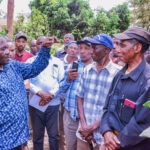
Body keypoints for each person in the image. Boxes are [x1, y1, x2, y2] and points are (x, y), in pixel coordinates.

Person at [100, 27, 150, 150]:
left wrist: (116, 143)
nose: (116, 48)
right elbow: (107, 107)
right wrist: (106, 131)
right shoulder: (120, 74)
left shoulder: (147, 81)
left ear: (137, 48)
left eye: (122, 45)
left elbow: (143, 123)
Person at [0, 36, 54, 150]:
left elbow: (34, 68)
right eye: (2, 49)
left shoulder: (13, 65)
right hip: (4, 140)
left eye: (7, 48)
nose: (7, 53)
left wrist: (44, 49)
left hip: (19, 137)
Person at [76, 34, 120, 150]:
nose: (91, 51)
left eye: (95, 47)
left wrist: (92, 127)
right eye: (91, 47)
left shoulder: (117, 74)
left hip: (104, 136)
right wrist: (84, 125)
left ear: (106, 50)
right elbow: (80, 97)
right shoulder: (87, 70)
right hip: (83, 134)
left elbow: (114, 107)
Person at [28, 36, 65, 150]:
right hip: (35, 104)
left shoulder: (57, 62)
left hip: (53, 104)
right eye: (39, 43)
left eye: (45, 43)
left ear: (50, 45)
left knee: (54, 136)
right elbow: (27, 81)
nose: (42, 45)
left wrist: (51, 95)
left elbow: (62, 81)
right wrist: (39, 93)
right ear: (36, 46)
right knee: (37, 136)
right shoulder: (30, 61)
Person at [58, 40, 93, 150]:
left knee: (88, 147)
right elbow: (60, 89)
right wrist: (68, 79)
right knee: (70, 146)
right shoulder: (73, 66)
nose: (82, 51)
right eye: (80, 48)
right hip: (71, 115)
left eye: (86, 48)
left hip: (89, 118)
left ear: (93, 50)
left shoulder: (96, 69)